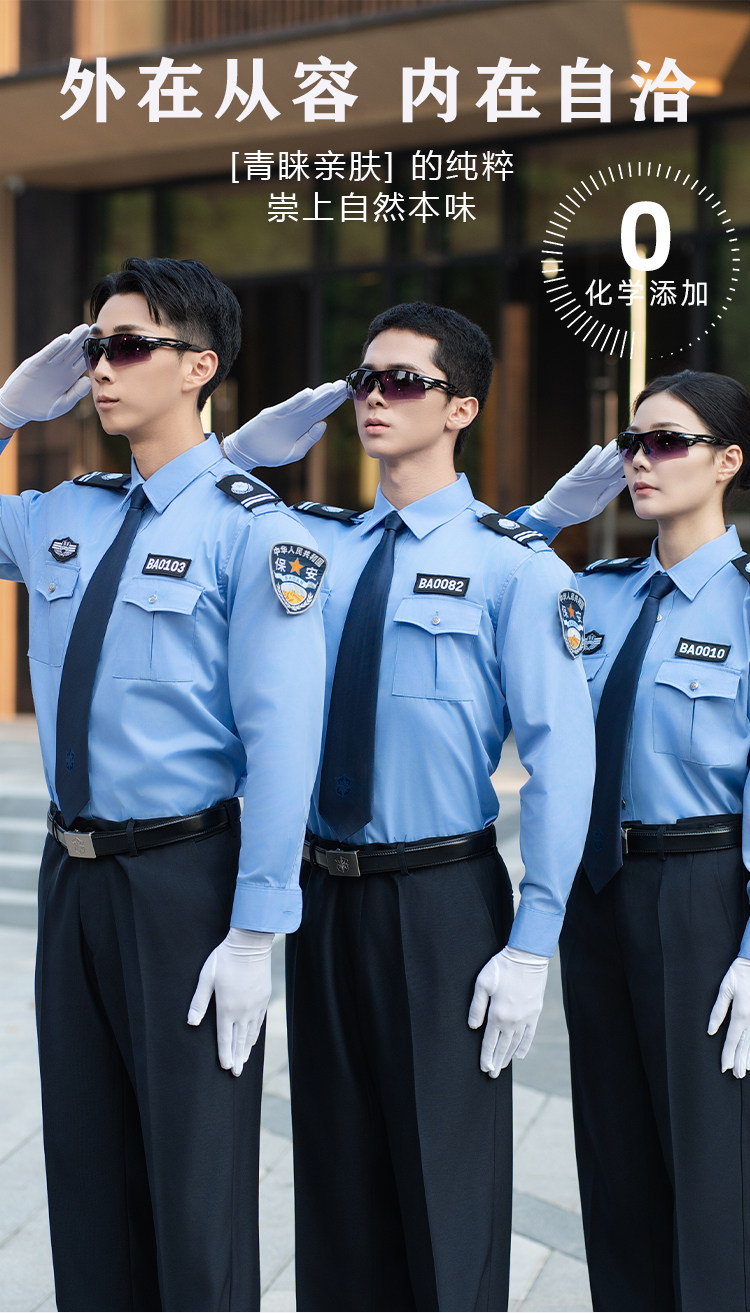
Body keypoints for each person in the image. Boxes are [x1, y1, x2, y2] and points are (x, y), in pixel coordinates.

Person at [224, 301, 596, 1312]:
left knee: (446, 1198)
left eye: (402, 381)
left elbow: (563, 761)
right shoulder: (315, 548)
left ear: (461, 408)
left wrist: (533, 944)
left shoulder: (516, 567)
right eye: (363, 379)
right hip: (324, 896)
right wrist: (238, 455)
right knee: (335, 1190)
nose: (373, 398)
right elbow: (192, 512)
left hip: (439, 902)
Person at [0, 257, 326, 1312]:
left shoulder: (254, 529)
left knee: (194, 1196)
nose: (102, 368)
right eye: (94, 347)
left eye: (129, 346)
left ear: (200, 366)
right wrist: (5, 414)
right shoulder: (67, 511)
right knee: (86, 1175)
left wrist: (255, 931)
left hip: (186, 880)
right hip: (72, 874)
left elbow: (284, 740)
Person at [518, 370, 750, 1312]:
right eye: (630, 443)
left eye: (667, 442)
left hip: (702, 895)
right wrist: (544, 516)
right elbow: (485, 571)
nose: (640, 461)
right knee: (613, 1163)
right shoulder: (595, 592)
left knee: (712, 1169)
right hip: (599, 893)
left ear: (727, 461)